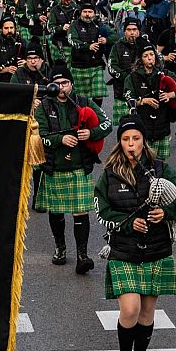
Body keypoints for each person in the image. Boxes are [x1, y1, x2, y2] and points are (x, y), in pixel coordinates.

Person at [95, 121, 176, 351]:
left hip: (156, 249)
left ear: (143, 141)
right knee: (130, 309)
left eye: (135, 138)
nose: (130, 144)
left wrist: (167, 213)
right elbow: (101, 211)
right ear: (120, 142)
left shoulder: (161, 168)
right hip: (124, 250)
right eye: (126, 139)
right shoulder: (109, 174)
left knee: (147, 312)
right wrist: (128, 224)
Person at [34, 63, 110, 273]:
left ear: (71, 84)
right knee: (56, 212)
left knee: (80, 213)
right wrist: (60, 139)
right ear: (50, 86)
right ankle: (60, 248)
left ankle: (82, 255)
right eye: (56, 84)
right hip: (54, 167)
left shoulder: (84, 102)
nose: (61, 88)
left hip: (78, 167)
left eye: (65, 83)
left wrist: (91, 134)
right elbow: (38, 137)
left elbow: (106, 124)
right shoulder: (44, 108)